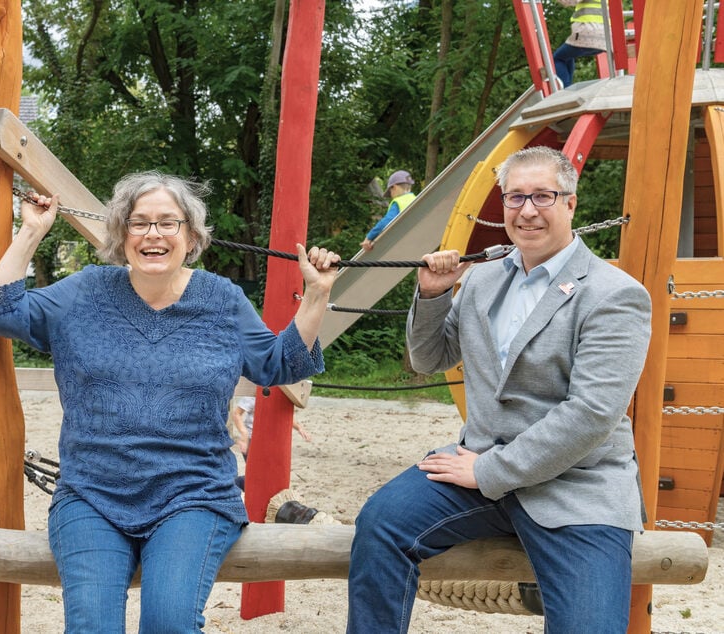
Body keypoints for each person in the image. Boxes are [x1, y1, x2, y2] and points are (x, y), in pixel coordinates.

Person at [0, 171, 340, 632]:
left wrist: (317, 295)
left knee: (169, 623)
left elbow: (279, 365)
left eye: (168, 223)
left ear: (191, 235)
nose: (153, 234)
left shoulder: (222, 301)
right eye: (139, 222)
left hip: (192, 495)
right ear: (121, 234)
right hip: (93, 494)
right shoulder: (85, 292)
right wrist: (31, 230)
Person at [346, 146, 652, 633]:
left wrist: (489, 470)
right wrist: (432, 293)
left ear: (570, 204)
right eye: (515, 197)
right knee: (381, 524)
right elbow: (429, 359)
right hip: (478, 471)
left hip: (574, 485)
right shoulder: (483, 278)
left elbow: (591, 414)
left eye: (542, 196)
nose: (527, 210)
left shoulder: (614, 294)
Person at [231, 394, 311, 491]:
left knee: (265, 476)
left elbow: (283, 414)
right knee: (257, 476)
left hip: (269, 441)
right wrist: (244, 434)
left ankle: (235, 485)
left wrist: (299, 428)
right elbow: (237, 413)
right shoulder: (254, 394)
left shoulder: (278, 394)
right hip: (252, 440)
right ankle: (235, 485)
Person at [552, 0, 608, 88]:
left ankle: (566, 90)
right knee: (567, 56)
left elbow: (567, 1)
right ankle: (568, 87)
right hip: (604, 40)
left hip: (586, 34)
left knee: (556, 59)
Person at [360, 170, 416, 252]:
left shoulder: (398, 202)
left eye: (390, 192)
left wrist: (369, 237)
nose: (391, 196)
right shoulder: (415, 199)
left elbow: (386, 221)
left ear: (394, 187)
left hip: (400, 242)